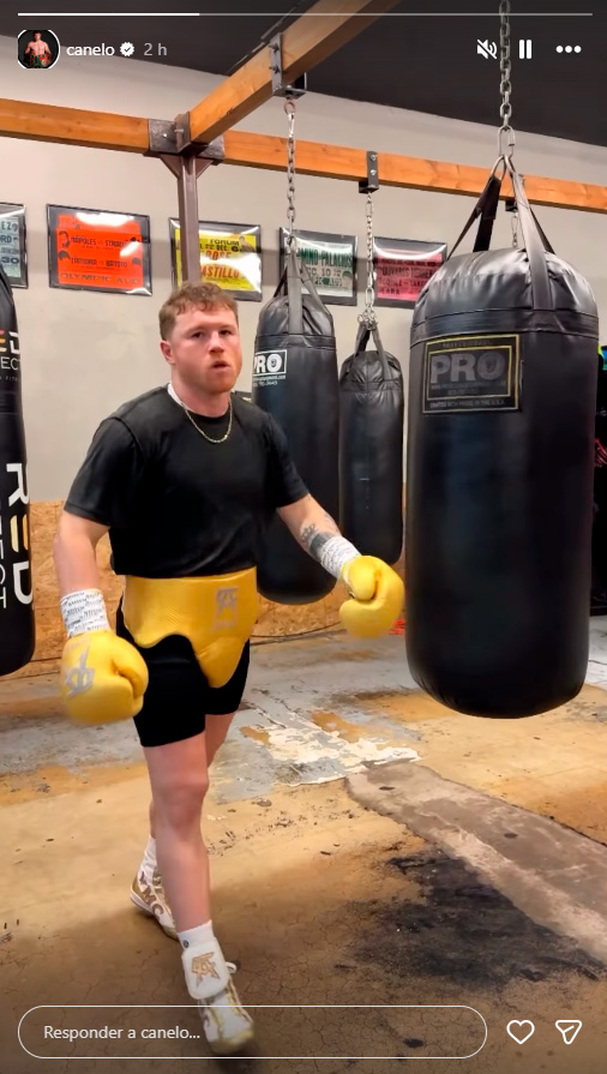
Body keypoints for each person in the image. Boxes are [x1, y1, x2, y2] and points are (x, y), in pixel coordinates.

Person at [53, 281, 403, 1055]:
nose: (218, 345)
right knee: (186, 793)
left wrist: (350, 566)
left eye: (226, 332)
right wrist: (81, 629)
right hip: (158, 637)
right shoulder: (133, 430)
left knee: (187, 789)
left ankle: (153, 881)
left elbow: (303, 512)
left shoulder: (259, 427)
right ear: (168, 349)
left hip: (229, 635)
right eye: (200, 334)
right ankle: (207, 973)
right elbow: (75, 533)